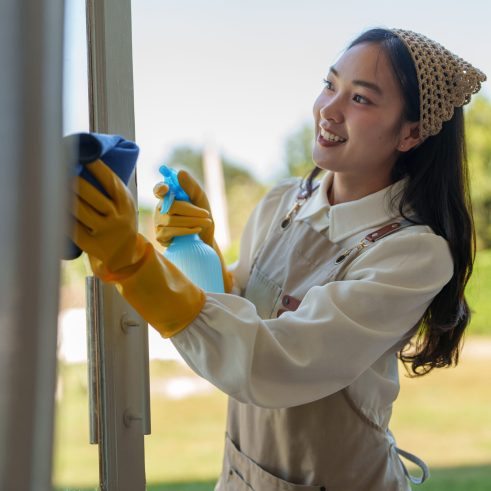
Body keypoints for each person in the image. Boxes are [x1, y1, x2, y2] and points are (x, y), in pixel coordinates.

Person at [71, 27, 486, 490]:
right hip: (243, 475)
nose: (328, 109)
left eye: (361, 99)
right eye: (330, 85)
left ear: (410, 133)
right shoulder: (282, 201)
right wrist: (200, 254)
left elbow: (272, 361)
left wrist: (133, 263)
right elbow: (242, 313)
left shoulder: (412, 254)